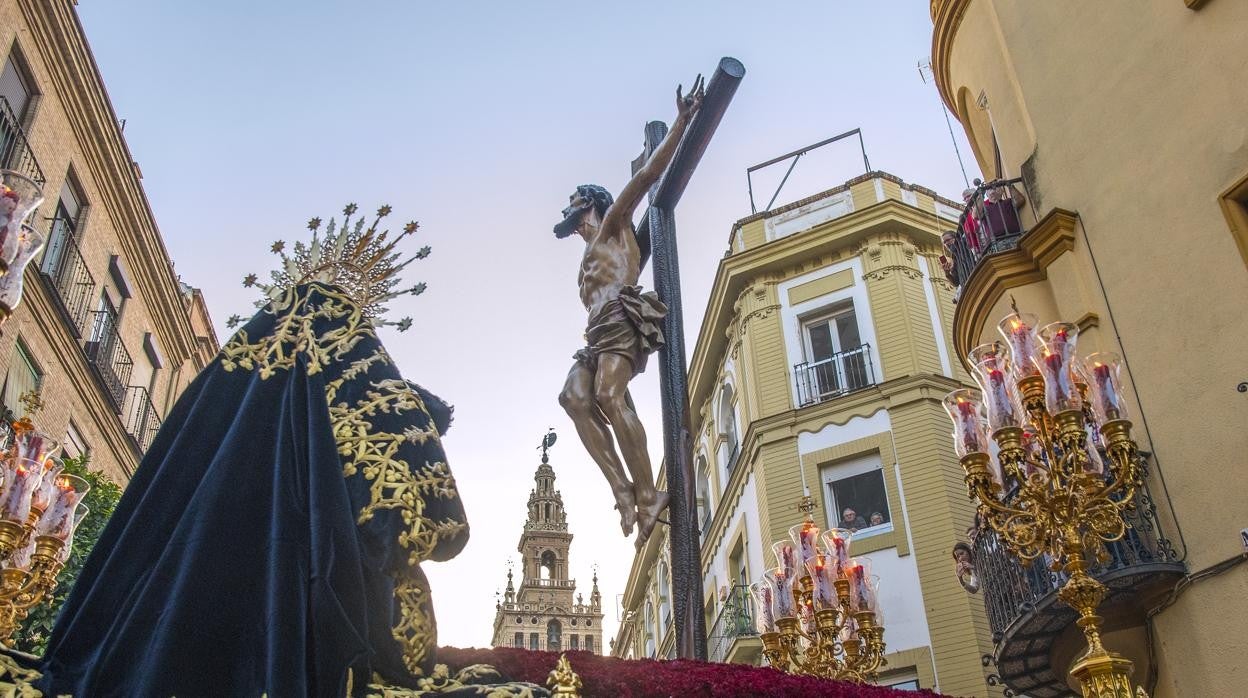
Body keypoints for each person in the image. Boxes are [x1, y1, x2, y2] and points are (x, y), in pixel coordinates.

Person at [555, 75, 705, 548]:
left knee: (609, 396)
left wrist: (682, 122)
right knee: (574, 398)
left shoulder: (614, 227)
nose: (573, 221)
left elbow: (644, 179)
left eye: (576, 211)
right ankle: (622, 489)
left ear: (590, 207)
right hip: (596, 332)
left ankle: (648, 493)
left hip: (622, 316)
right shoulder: (588, 251)